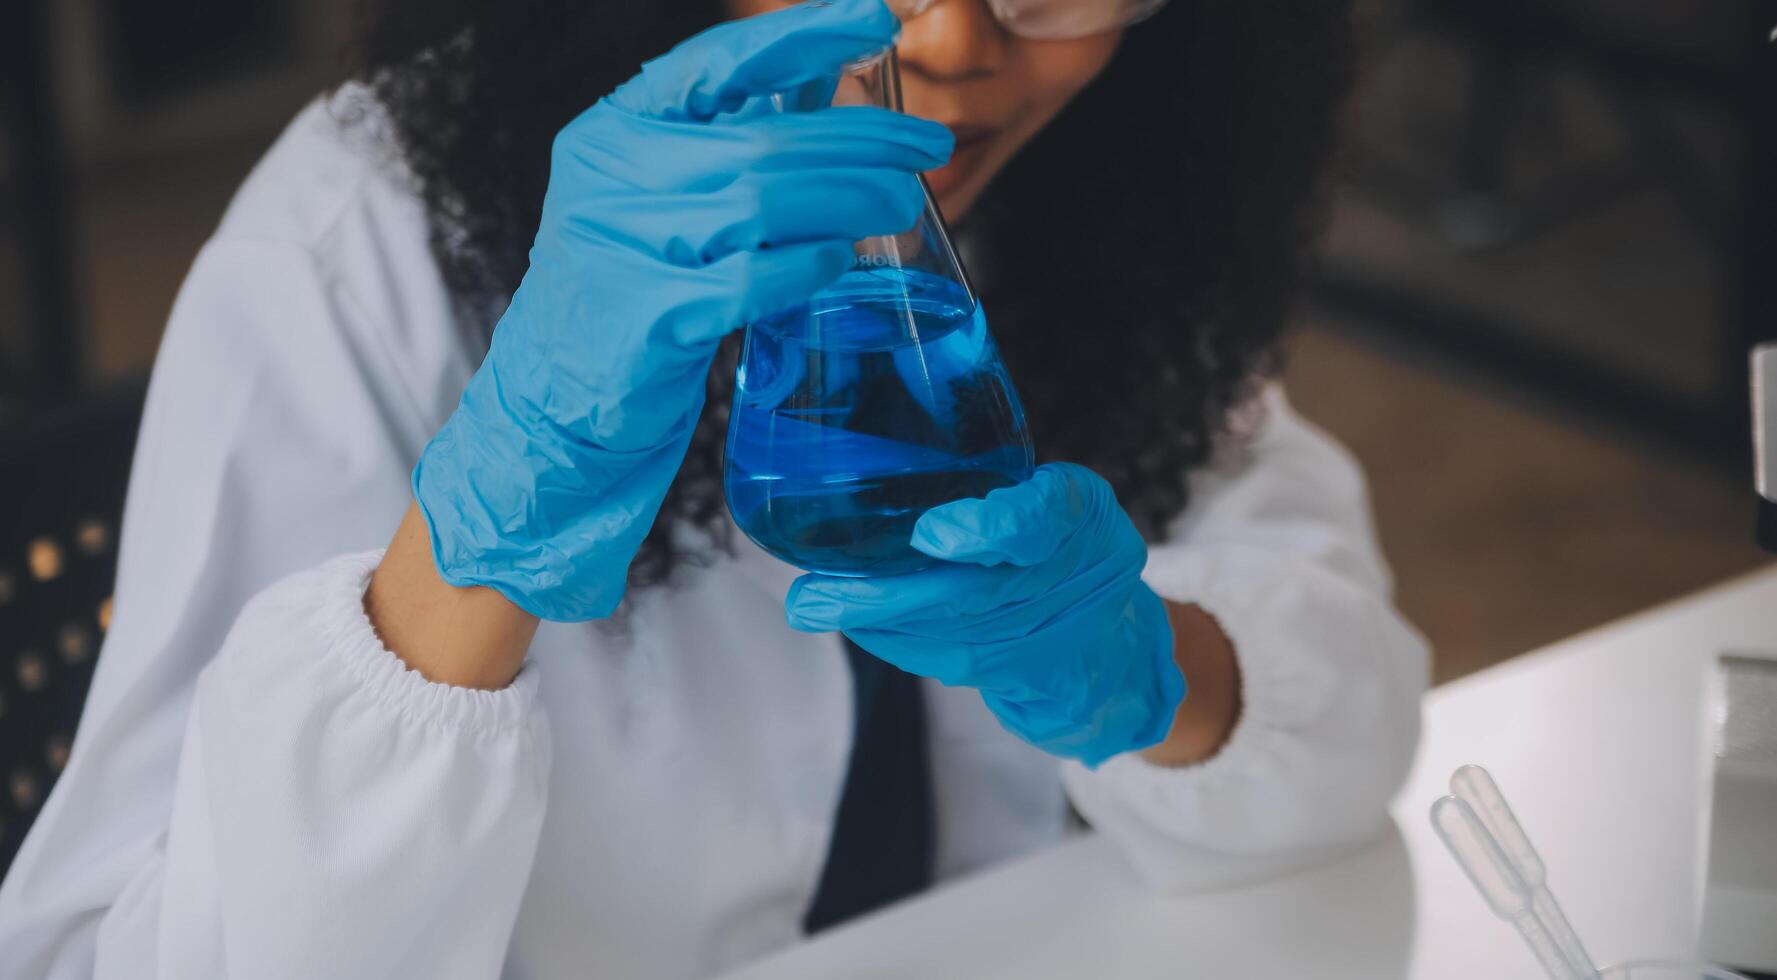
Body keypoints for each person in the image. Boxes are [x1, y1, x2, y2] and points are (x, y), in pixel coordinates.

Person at [0, 0, 1428, 976]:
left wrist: (1150, 674)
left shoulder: (1105, 189)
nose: (948, 43)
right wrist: (473, 551)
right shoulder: (351, 243)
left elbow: (1348, 725)